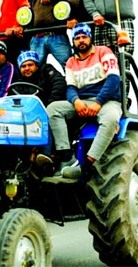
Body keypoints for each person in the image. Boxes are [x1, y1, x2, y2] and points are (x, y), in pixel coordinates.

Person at [46, 23, 122, 178]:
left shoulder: (103, 52)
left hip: (106, 101)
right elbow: (70, 87)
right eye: (77, 38)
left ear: (90, 38)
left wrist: (98, 102)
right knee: (53, 109)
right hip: (83, 101)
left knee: (111, 118)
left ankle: (87, 165)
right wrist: (76, 101)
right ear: (73, 42)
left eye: (84, 37)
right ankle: (66, 157)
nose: (81, 40)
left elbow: (113, 80)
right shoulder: (71, 62)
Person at [15, 50, 67, 166]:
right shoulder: (18, 83)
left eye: (30, 65)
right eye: (23, 66)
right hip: (26, 116)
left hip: (47, 111)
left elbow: (59, 83)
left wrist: (50, 103)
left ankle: (46, 156)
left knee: (45, 117)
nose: (27, 68)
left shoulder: (46, 71)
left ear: (36, 65)